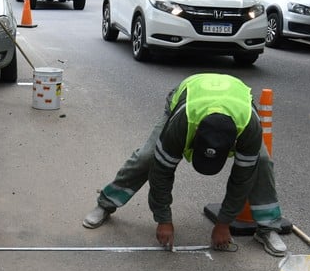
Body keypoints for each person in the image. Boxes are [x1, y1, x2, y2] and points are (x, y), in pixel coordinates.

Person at [82, 73, 287, 256]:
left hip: (237, 101)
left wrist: (224, 223)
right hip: (188, 97)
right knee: (148, 156)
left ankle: (267, 228)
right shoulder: (182, 124)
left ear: (233, 144)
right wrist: (163, 219)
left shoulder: (248, 128)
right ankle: (106, 203)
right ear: (194, 138)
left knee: (261, 161)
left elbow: (242, 179)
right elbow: (162, 172)